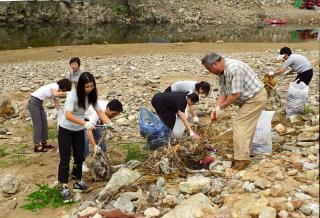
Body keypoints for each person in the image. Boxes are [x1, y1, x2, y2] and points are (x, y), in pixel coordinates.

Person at [201, 52, 267, 171]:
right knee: (246, 126)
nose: (209, 72)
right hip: (247, 100)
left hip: (255, 98)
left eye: (209, 69)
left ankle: (242, 159)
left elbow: (235, 94)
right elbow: (222, 93)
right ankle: (244, 153)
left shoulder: (234, 69)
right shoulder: (222, 72)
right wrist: (216, 109)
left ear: (215, 63)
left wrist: (222, 108)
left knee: (239, 124)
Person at [57, 72, 111, 202]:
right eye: (86, 87)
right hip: (66, 130)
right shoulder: (73, 96)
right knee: (65, 158)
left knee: (79, 157)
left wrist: (109, 123)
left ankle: (77, 182)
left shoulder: (92, 96)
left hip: (79, 131)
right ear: (81, 86)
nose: (89, 89)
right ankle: (64, 186)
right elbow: (68, 115)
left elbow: (99, 112)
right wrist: (85, 123)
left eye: (91, 86)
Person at [28, 79, 71, 152]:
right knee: (37, 124)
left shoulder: (57, 92)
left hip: (39, 104)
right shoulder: (55, 86)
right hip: (33, 102)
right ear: (64, 87)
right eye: (65, 89)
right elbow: (55, 94)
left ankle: (44, 142)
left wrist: (63, 114)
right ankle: (37, 145)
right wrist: (68, 93)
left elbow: (57, 106)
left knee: (44, 123)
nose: (64, 91)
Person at [82, 99, 123, 173]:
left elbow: (104, 120)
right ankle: (81, 163)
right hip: (82, 118)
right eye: (113, 114)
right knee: (85, 139)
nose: (114, 116)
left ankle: (103, 162)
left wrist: (110, 126)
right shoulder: (96, 112)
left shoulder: (108, 106)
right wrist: (94, 145)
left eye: (116, 115)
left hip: (93, 119)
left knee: (100, 136)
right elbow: (89, 130)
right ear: (108, 109)